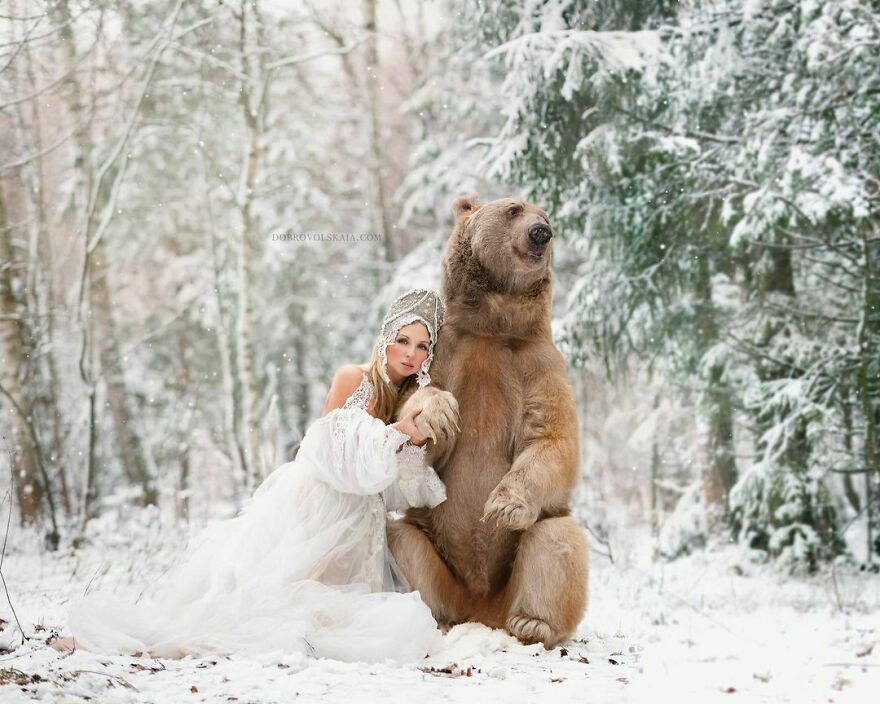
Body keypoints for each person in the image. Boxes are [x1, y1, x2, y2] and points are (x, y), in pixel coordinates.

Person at [54, 288, 451, 665]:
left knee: (335, 612)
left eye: (422, 346)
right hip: (319, 504)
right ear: (385, 337)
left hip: (360, 521)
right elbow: (327, 447)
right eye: (403, 340)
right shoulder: (353, 378)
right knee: (275, 599)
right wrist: (396, 434)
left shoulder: (409, 399)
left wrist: (412, 443)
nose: (410, 354)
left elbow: (396, 484)